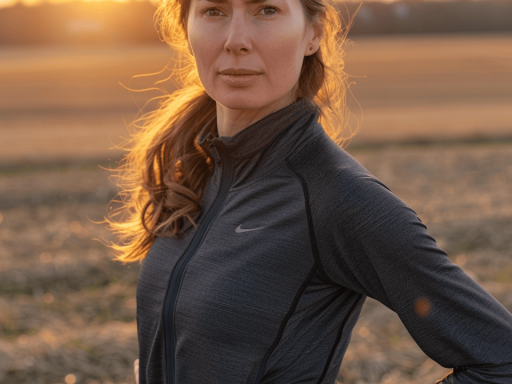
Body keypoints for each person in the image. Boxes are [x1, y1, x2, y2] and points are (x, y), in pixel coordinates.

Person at [106, 0, 512, 382]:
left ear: (313, 34)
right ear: (186, 28)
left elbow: (501, 359)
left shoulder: (337, 197)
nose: (236, 40)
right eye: (214, 10)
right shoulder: (195, 170)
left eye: (266, 10)